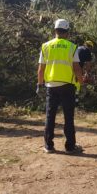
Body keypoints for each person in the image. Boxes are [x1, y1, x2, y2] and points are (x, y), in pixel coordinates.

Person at [37, 19, 84, 154]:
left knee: (49, 116)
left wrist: (39, 84)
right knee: (68, 117)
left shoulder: (45, 46)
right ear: (67, 32)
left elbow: (41, 69)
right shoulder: (72, 47)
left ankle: (48, 145)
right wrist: (81, 83)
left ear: (55, 31)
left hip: (51, 86)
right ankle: (70, 146)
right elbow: (77, 68)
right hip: (67, 86)